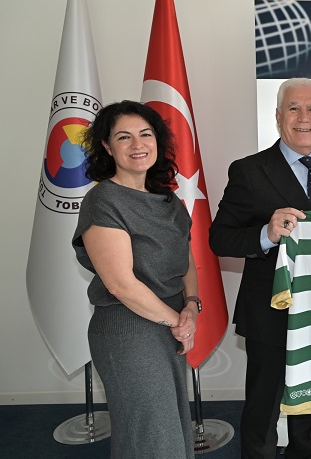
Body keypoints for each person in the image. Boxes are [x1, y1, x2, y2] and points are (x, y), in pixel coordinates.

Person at [209, 78, 311, 459]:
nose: (304, 117)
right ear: (277, 116)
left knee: (308, 406)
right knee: (263, 411)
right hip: (268, 312)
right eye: (293, 108)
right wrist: (266, 234)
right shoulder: (249, 171)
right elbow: (219, 238)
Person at [72, 100, 199, 459]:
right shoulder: (103, 200)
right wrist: (178, 322)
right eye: (124, 137)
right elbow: (120, 285)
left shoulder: (167, 199)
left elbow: (186, 259)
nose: (138, 144)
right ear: (107, 146)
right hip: (127, 332)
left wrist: (191, 306)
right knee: (153, 439)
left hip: (169, 326)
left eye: (145, 134)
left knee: (171, 431)